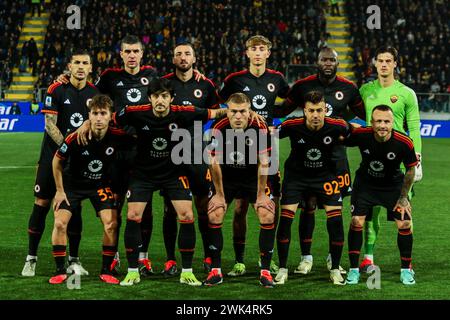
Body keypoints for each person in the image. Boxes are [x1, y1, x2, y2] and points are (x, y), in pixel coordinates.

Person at [109, 78, 229, 286]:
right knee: (132, 215)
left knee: (187, 214)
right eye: (156, 96)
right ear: (150, 98)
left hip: (173, 172)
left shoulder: (184, 112)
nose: (160, 100)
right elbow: (109, 120)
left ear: (171, 99)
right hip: (143, 173)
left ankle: (187, 271)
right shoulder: (134, 112)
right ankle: (132, 271)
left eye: (164, 96)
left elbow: (215, 112)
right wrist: (86, 124)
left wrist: (241, 110)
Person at [273, 47, 365, 275]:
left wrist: (346, 125)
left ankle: (333, 259)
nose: (327, 63)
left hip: (336, 158)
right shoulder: (303, 86)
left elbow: (363, 114)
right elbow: (283, 109)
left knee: (337, 207)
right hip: (306, 157)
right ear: (317, 61)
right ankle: (306, 257)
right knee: (308, 207)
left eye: (331, 60)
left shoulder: (349, 88)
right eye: (323, 59)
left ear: (337, 63)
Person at [21, 49, 98, 277]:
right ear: (69, 66)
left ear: (91, 68)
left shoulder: (95, 93)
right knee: (42, 203)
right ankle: (31, 258)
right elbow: (49, 123)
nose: (81, 67)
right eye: (77, 62)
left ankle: (74, 260)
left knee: (75, 206)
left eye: (85, 63)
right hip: (51, 157)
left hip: (77, 160)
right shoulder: (56, 89)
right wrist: (68, 145)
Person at [218, 35, 290, 276]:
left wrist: (274, 121)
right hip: (237, 145)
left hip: (267, 144)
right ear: (246, 53)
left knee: (272, 203)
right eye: (253, 49)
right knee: (240, 207)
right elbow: (219, 105)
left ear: (268, 53)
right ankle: (239, 261)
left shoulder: (277, 79)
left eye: (262, 49)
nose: (257, 53)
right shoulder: (234, 80)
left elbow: (289, 102)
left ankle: (268, 259)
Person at [49, 94, 133, 285]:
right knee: (60, 223)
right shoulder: (75, 137)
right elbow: (56, 161)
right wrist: (60, 190)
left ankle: (105, 270)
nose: (99, 117)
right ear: (89, 116)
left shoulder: (118, 136)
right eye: (95, 113)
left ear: (110, 116)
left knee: (111, 223)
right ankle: (61, 270)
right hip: (73, 186)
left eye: (103, 113)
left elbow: (138, 142)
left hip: (100, 185)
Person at [274, 90, 350, 286]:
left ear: (325, 109)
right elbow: (267, 136)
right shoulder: (291, 125)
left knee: (335, 220)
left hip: (326, 177)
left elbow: (359, 134)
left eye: (319, 110)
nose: (315, 115)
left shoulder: (338, 126)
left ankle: (334, 269)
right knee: (286, 219)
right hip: (296, 178)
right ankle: (283, 268)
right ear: (304, 111)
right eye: (311, 110)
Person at [358, 46, 422, 272]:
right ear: (374, 64)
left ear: (396, 64)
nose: (384, 64)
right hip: (372, 160)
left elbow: (414, 126)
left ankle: (407, 262)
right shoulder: (365, 90)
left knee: (403, 210)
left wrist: (417, 158)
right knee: (369, 212)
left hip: (400, 162)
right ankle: (367, 257)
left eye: (388, 61)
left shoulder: (406, 93)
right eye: (380, 61)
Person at [160, 42, 220, 276]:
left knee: (203, 206)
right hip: (170, 152)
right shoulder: (164, 83)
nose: (183, 57)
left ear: (194, 58)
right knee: (170, 209)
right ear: (173, 59)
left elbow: (216, 114)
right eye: (178, 54)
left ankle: (207, 255)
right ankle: (170, 260)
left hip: (196, 152)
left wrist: (209, 140)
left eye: (187, 54)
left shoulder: (206, 84)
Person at [205, 92, 276, 288]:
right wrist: (219, 195)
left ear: (249, 111)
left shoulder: (260, 127)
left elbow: (264, 162)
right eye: (233, 111)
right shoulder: (218, 127)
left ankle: (266, 271)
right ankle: (216, 271)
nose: (238, 116)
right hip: (226, 177)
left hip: (252, 177)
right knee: (215, 213)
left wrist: (261, 195)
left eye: (242, 111)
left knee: (267, 214)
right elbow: (214, 162)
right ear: (227, 112)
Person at [344, 105, 417, 285]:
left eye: (386, 121)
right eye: (378, 121)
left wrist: (403, 197)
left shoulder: (404, 142)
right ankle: (353, 270)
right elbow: (341, 139)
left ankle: (406, 270)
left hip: (392, 186)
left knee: (405, 223)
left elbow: (410, 170)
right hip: (366, 185)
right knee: (356, 221)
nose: (382, 125)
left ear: (393, 122)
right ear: (371, 122)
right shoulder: (362, 135)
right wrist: (346, 125)